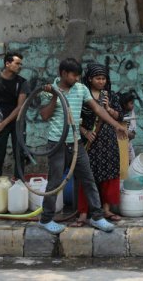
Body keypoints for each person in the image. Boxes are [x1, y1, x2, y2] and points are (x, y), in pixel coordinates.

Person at [38, 58, 127, 235]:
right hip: (57, 143)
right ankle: (46, 219)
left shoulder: (81, 89)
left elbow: (98, 109)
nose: (77, 79)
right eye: (74, 75)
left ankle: (97, 216)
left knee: (88, 179)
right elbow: (45, 115)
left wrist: (116, 124)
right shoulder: (49, 89)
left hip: (76, 142)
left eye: (79, 75)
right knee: (55, 182)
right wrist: (55, 95)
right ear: (63, 74)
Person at [72, 63, 124, 227]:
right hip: (88, 141)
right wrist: (85, 132)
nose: (101, 81)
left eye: (103, 78)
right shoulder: (82, 95)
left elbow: (119, 116)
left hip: (107, 140)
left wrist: (108, 108)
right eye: (98, 78)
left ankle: (106, 209)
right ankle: (83, 212)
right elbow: (72, 117)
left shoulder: (111, 95)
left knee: (108, 173)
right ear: (90, 79)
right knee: (87, 175)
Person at [0, 51, 30, 179]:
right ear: (7, 63)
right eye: (17, 63)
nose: (20, 66)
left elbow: (19, 107)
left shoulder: (22, 82)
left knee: (19, 155)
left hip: (17, 123)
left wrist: (3, 124)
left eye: (21, 64)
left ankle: (19, 184)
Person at [120, 91, 137, 162]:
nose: (133, 105)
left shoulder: (131, 113)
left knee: (132, 162)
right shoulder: (119, 114)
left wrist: (129, 133)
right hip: (120, 143)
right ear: (124, 105)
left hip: (128, 143)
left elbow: (133, 134)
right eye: (131, 103)